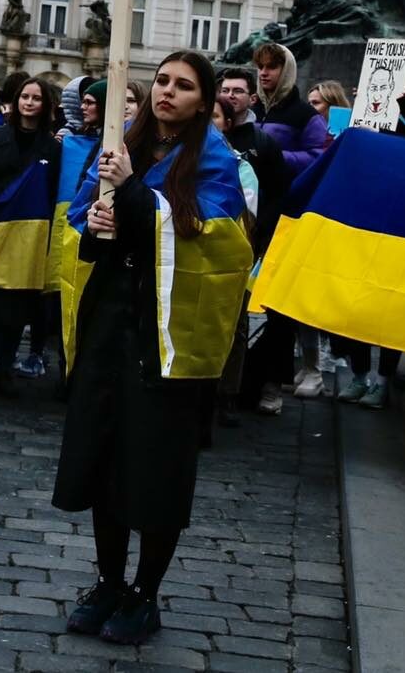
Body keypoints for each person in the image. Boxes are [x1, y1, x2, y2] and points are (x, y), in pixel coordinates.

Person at [55, 51, 251, 647]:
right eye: (162, 80)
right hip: (110, 318)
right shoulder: (119, 145)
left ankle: (146, 592)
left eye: (184, 86)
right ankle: (109, 581)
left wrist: (133, 195)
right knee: (104, 455)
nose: (168, 92)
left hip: (167, 336)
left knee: (155, 467)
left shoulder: (216, 161)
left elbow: (212, 240)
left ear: (204, 99)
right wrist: (95, 221)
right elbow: (78, 219)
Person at [0, 75, 60, 398]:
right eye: (25, 97)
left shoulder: (52, 147)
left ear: (45, 104)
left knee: (18, 306)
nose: (29, 103)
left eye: (36, 98)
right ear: (16, 101)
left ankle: (4, 368)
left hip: (30, 237)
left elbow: (52, 190)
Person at [213, 67, 292, 423]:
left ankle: (228, 394)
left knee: (238, 322)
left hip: (246, 244)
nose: (230, 95)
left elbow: (277, 196)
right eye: (224, 90)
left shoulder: (263, 144)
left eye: (237, 91)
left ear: (251, 98)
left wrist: (261, 240)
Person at [248, 41, 330, 174]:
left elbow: (319, 157)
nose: (263, 72)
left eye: (271, 67)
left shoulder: (307, 115)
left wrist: (277, 156)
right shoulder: (250, 110)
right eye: (260, 66)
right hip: (249, 191)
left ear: (286, 70)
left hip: (285, 191)